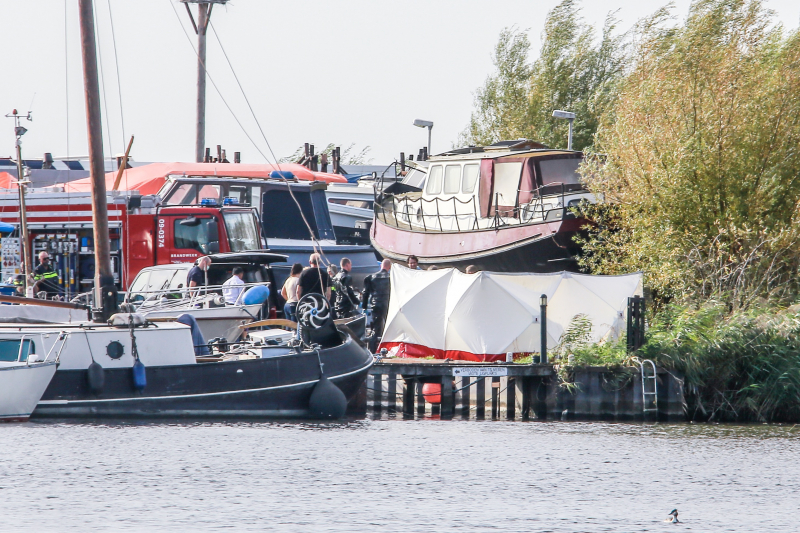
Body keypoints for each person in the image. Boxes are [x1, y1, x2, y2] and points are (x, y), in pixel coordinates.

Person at [362, 259, 392, 352]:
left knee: (375, 329)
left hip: (376, 305)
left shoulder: (371, 277)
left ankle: (372, 350)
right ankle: (389, 349)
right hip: (388, 305)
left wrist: (364, 306)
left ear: (381, 266)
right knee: (389, 328)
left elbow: (365, 293)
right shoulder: (391, 277)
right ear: (389, 267)